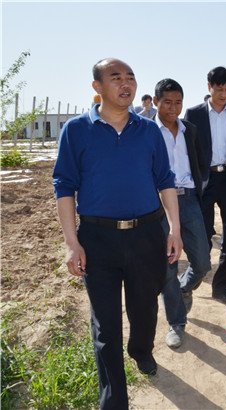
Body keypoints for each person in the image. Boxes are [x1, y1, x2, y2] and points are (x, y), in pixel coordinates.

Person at [53, 58, 183, 409]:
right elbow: (64, 187)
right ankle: (113, 401)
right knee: (106, 325)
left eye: (130, 77)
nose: (126, 83)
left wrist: (174, 229)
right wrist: (71, 243)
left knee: (144, 310)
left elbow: (165, 180)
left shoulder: (148, 131)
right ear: (97, 87)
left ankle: (141, 350)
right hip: (98, 239)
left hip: (146, 235)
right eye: (116, 78)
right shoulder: (77, 130)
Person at [184, 66, 226, 306]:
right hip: (204, 182)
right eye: (219, 89)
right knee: (201, 236)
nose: (224, 94)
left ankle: (222, 288)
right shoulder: (194, 114)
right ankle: (190, 281)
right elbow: (187, 151)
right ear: (209, 87)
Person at [152, 78, 212, 348]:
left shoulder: (190, 130)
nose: (173, 108)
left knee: (202, 262)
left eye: (178, 102)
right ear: (156, 102)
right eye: (167, 102)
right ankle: (176, 322)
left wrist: (200, 186)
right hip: (158, 204)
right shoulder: (146, 131)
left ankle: (183, 288)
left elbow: (201, 161)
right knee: (168, 266)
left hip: (188, 200)